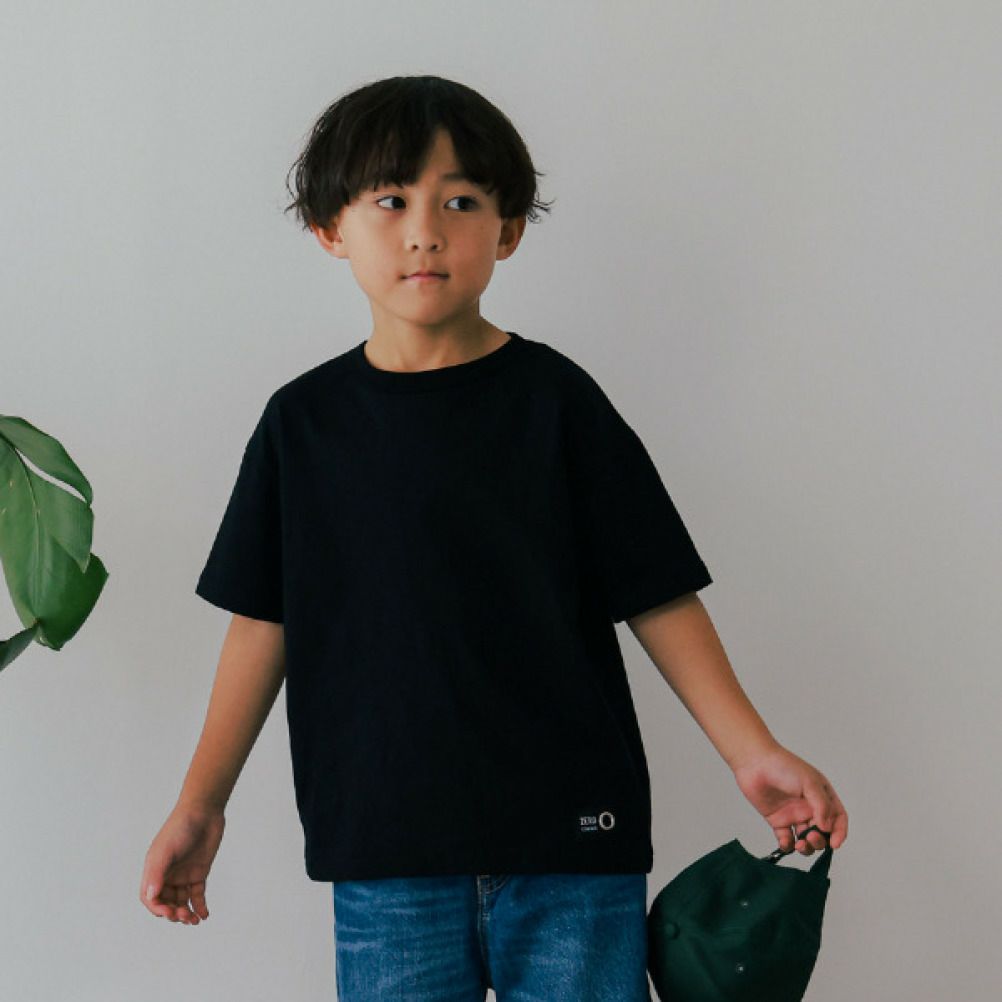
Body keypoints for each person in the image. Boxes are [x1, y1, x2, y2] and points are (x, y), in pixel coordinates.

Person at [139, 74, 848, 1001]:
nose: (425, 230)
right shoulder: (302, 425)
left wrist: (753, 754)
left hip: (573, 849)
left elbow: (656, 591)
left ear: (508, 230)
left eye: (461, 201)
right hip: (387, 856)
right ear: (329, 228)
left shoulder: (559, 403)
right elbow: (263, 622)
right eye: (391, 200)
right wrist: (200, 805)